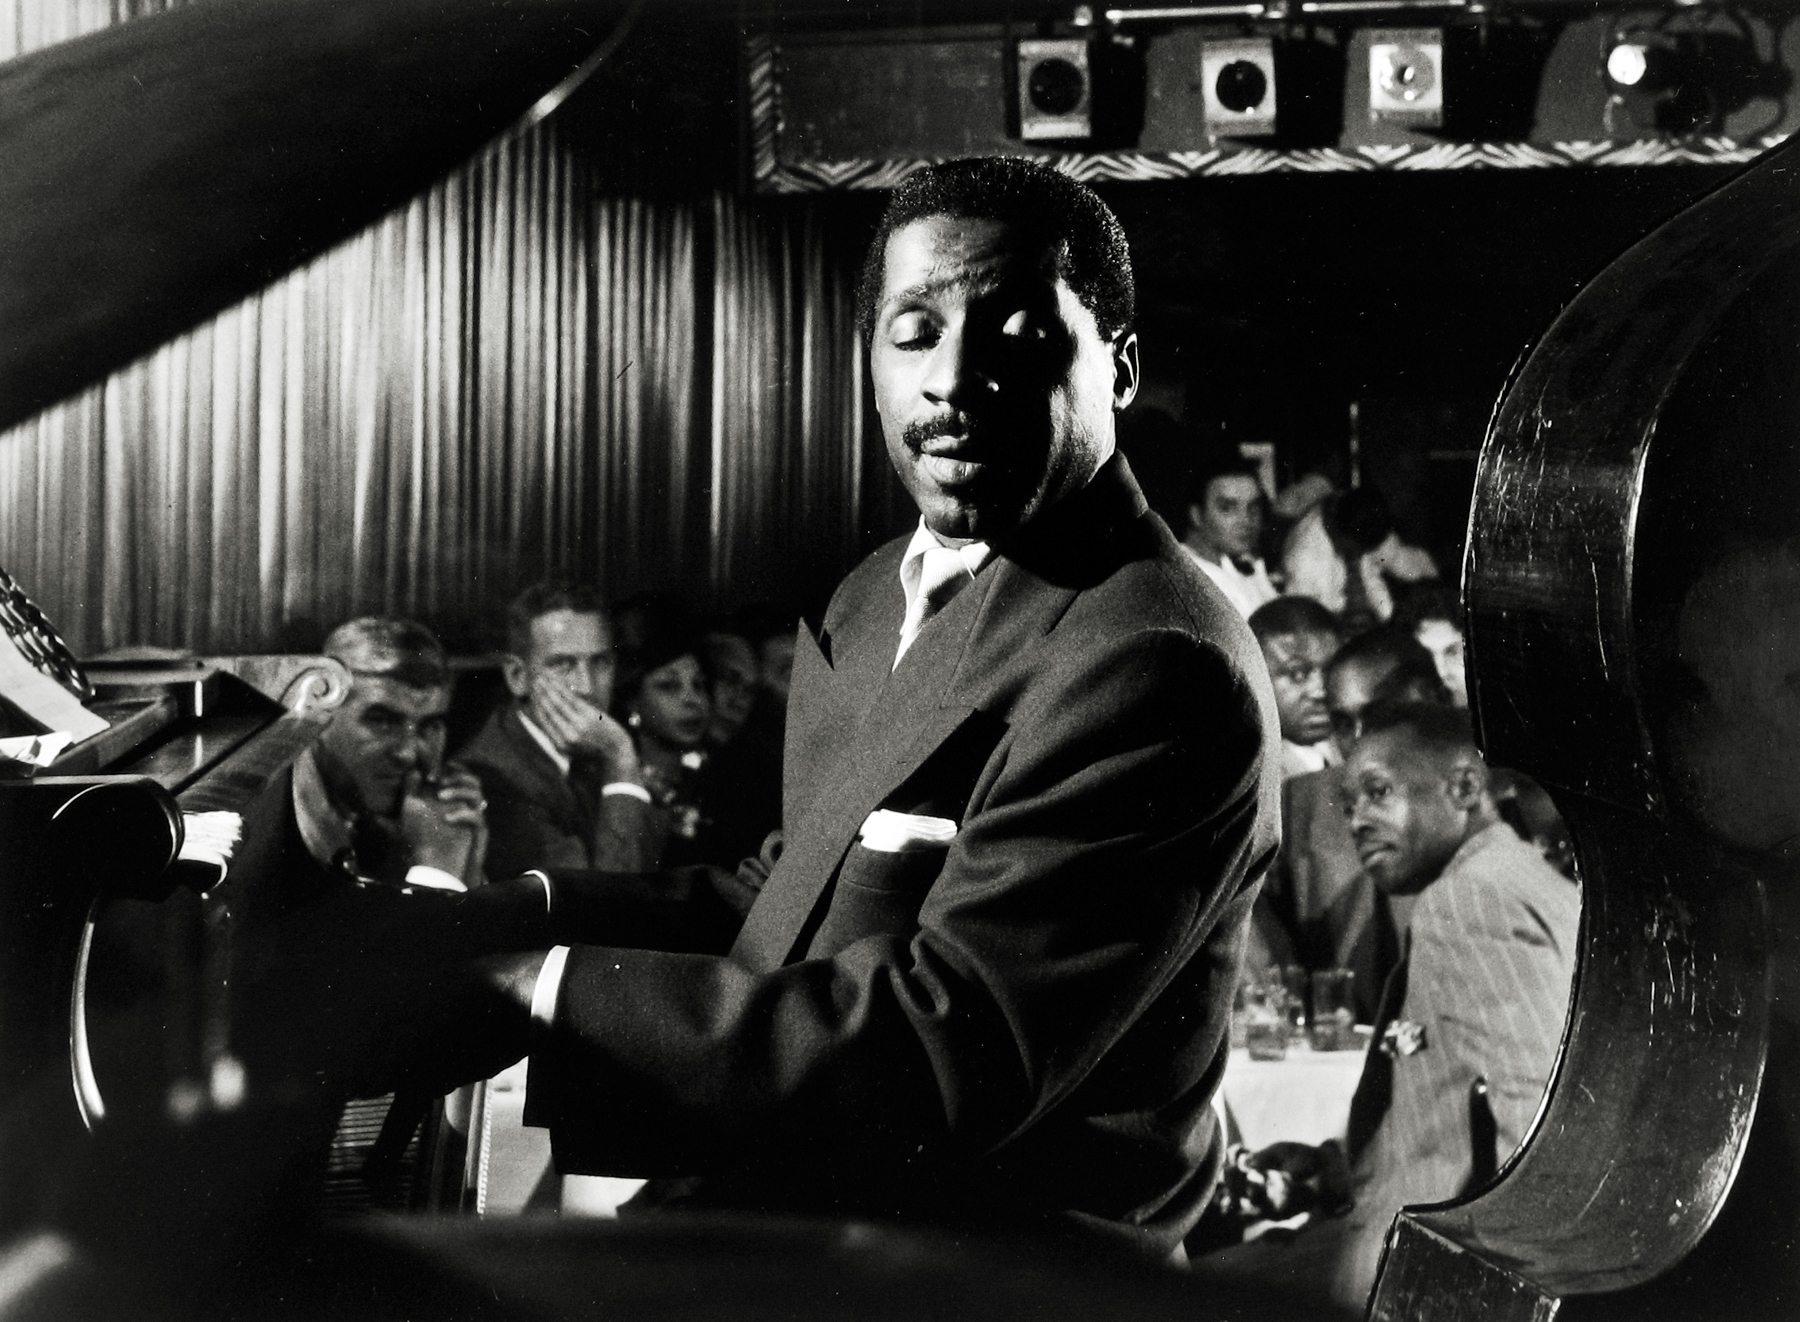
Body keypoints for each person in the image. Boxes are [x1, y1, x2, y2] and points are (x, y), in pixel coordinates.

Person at [318, 156, 1281, 1261]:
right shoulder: (876, 595)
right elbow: (783, 895)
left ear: (1118, 369)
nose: (955, 379)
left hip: (983, 1274)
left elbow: (942, 1049)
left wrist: (532, 992)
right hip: (809, 1214)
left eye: (1017, 334)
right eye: (914, 332)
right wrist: (501, 917)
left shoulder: (1154, 658)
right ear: (869, 366)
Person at [1200, 703, 1578, 1314]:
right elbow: (1454, 1111)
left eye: (1378, 792)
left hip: (1424, 1284)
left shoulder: (1471, 901)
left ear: (1463, 786)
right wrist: (1335, 1169)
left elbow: (1535, 1133)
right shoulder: (1521, 880)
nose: (1358, 822)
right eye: (1348, 806)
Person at [1277, 629, 1449, 1021]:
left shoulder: (1489, 798)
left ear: (1433, 699)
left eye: (1375, 717)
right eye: (1341, 723)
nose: (1358, 742)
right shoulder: (1303, 804)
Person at [457, 583, 655, 879]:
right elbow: (606, 905)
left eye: (600, 663)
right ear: (517, 676)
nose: (587, 687)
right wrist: (621, 759)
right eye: (563, 664)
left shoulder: (591, 746)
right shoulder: (491, 778)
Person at [612, 622, 719, 870]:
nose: (692, 700)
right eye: (669, 686)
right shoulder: (621, 783)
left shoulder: (713, 778)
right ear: (633, 701)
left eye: (699, 685)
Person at [1282, 488, 1436, 632]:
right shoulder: (1303, 561)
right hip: (1331, 627)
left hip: (1374, 622)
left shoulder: (1360, 512)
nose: (1363, 554)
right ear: (1342, 535)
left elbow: (1407, 564)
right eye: (1359, 549)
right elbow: (1306, 622)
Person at [1248, 595, 1343, 781]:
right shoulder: (1249, 775)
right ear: (1254, 679)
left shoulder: (1354, 748)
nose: (1320, 691)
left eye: (1330, 671)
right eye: (1297, 674)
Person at [1181, 453, 1279, 620]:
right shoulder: (1182, 581)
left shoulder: (1244, 564)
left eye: (1253, 508)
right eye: (1227, 508)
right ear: (1196, 515)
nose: (1246, 521)